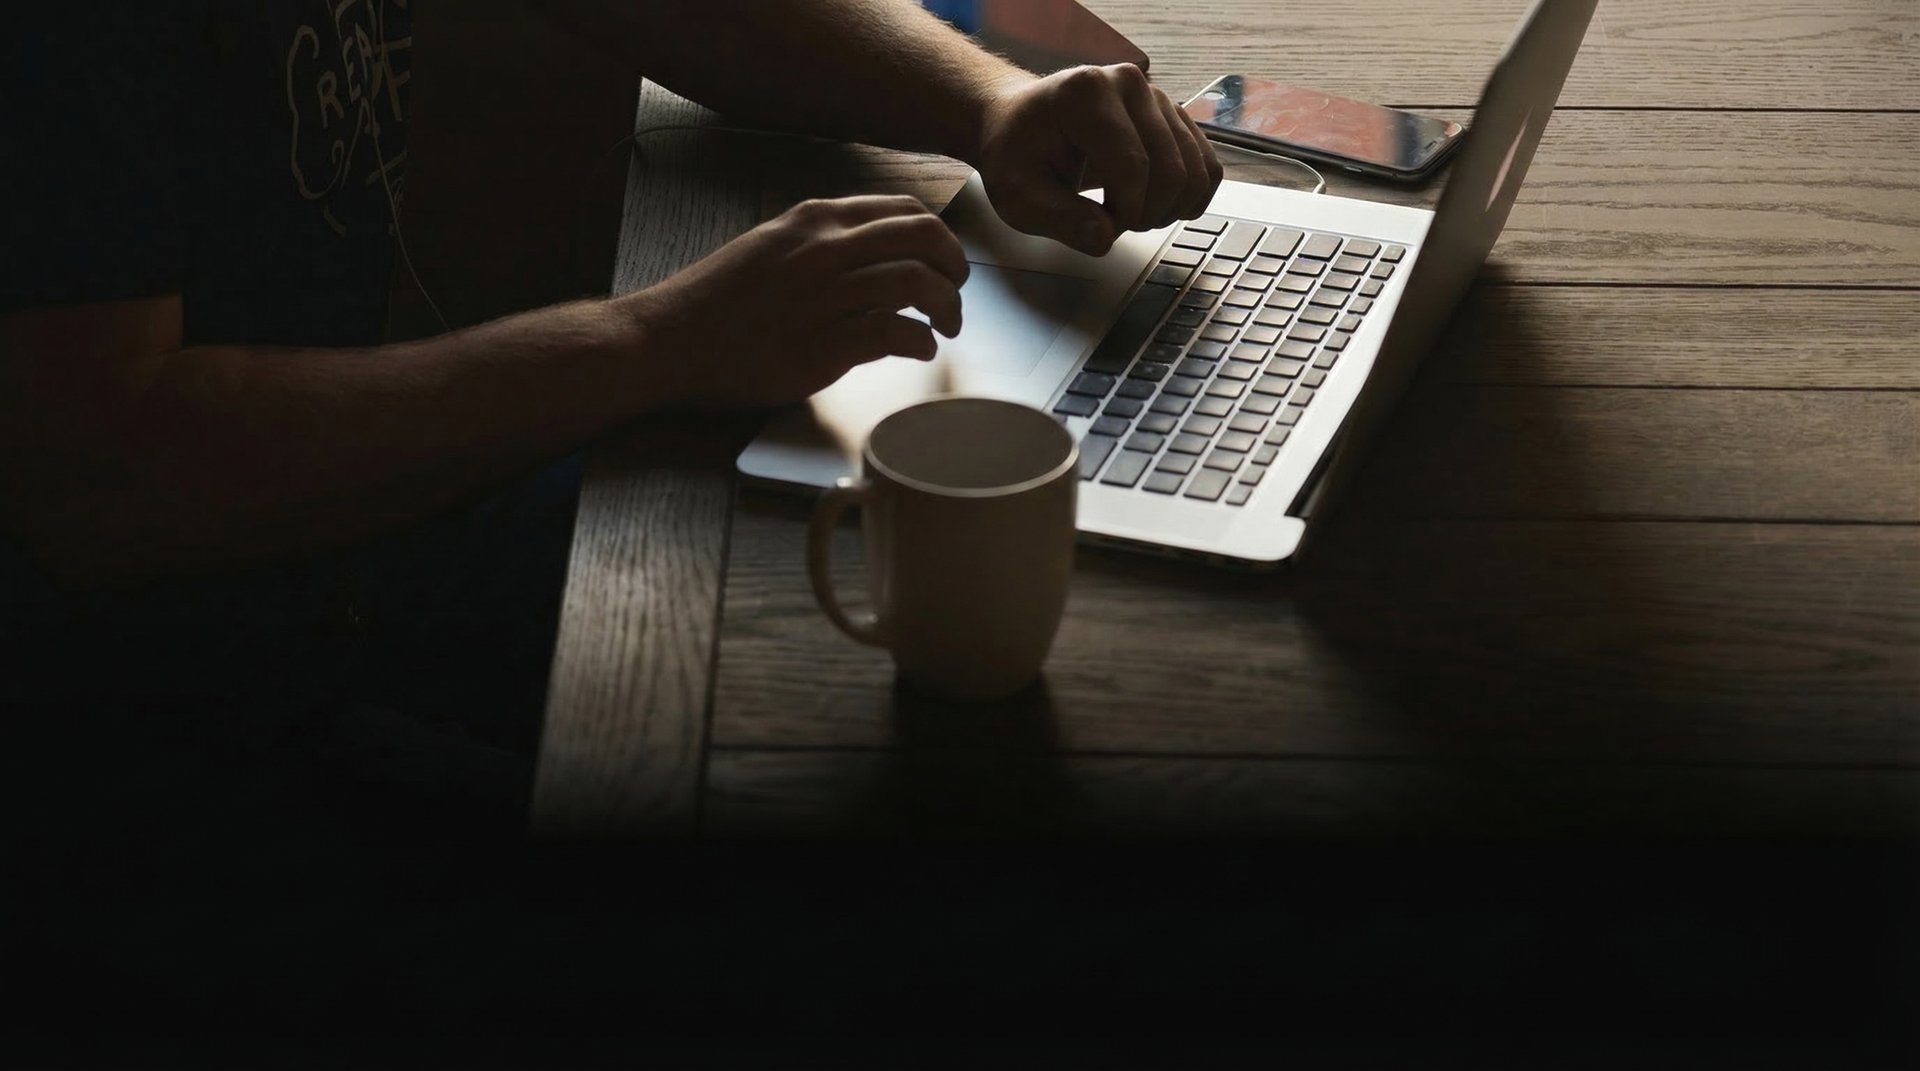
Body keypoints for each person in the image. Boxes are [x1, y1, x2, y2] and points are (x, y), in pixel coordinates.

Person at [0, 0, 1221, 1034]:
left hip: (339, 508)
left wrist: (991, 106)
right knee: (894, 659)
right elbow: (108, 481)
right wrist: (659, 340)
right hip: (175, 686)